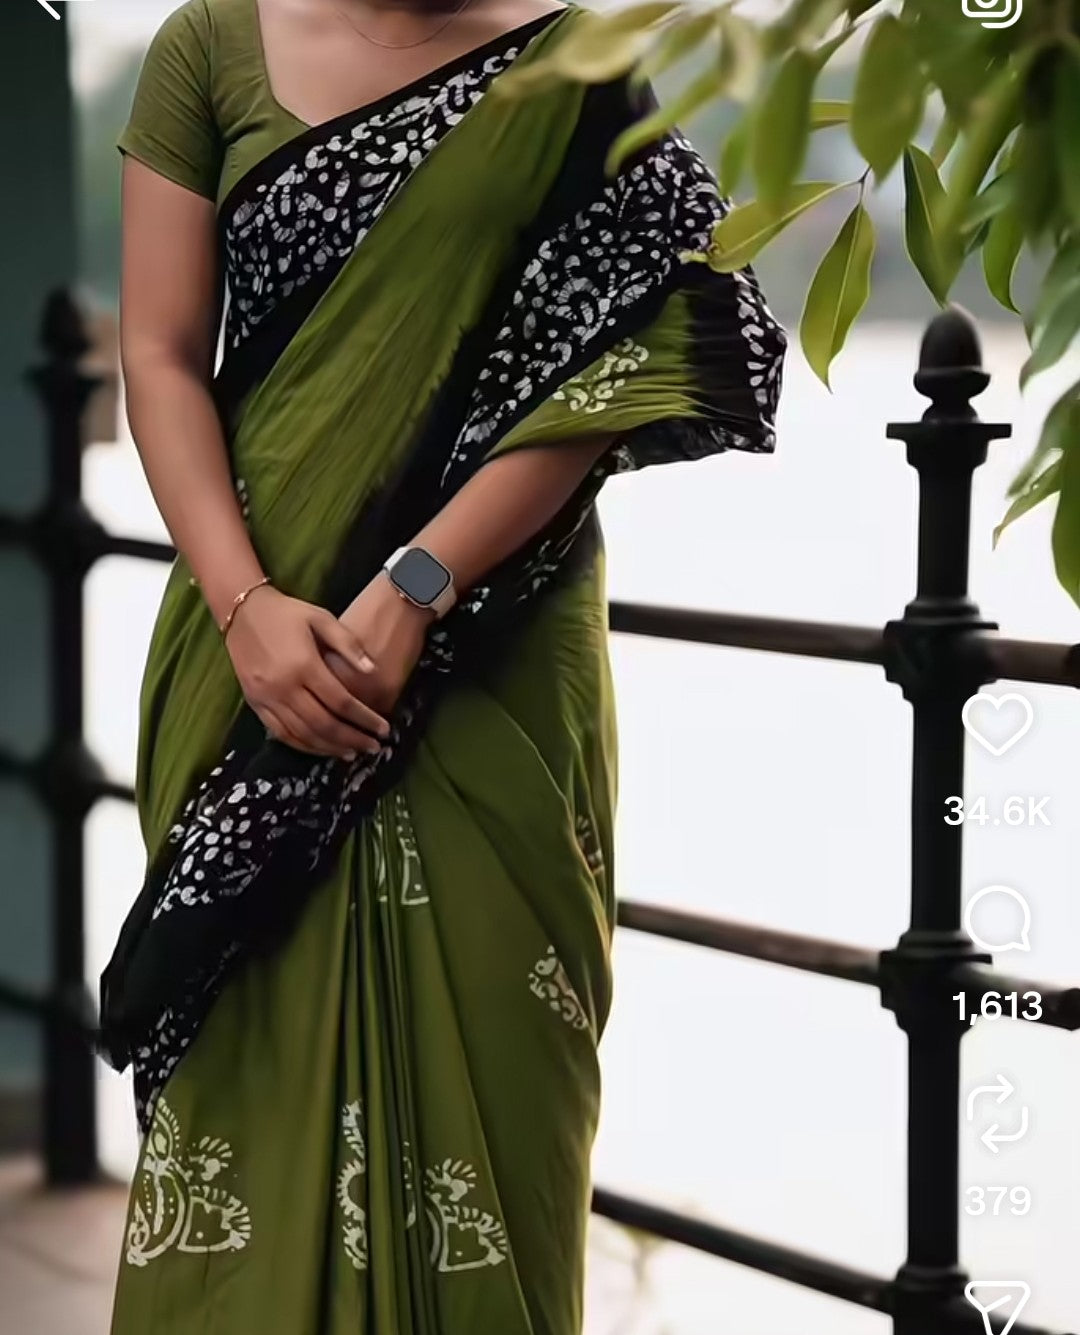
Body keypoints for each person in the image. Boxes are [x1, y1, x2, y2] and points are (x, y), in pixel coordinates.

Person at [98, 0, 787, 1329]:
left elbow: (639, 348)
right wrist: (247, 611)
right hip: (251, 666)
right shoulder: (210, 48)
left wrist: (421, 583)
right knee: (243, 1126)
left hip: (492, 658)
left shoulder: (577, 63)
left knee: (499, 1106)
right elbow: (160, 353)